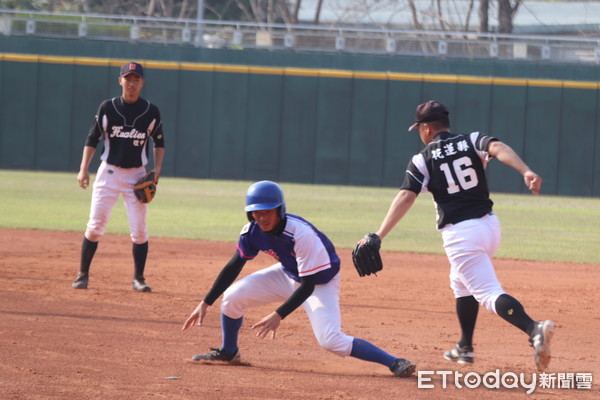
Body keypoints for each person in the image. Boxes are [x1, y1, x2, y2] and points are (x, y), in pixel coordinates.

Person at [363, 100, 554, 371]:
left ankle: (534, 329)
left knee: (487, 293)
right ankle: (465, 347)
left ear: (426, 129)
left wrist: (379, 234)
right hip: (489, 227)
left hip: (461, 235)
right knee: (460, 280)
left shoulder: (422, 158)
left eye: (419, 128)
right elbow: (498, 148)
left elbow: (407, 195)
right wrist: (526, 171)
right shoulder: (472, 140)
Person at [182, 180, 416, 378]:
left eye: (267, 211)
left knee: (330, 340)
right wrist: (206, 302)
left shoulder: (300, 234)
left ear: (279, 210)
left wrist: (278, 314)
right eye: (256, 212)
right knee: (232, 297)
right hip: (287, 275)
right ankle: (228, 351)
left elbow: (308, 285)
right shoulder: (252, 231)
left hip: (319, 284)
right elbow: (234, 265)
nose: (262, 217)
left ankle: (395, 362)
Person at [71, 61, 165, 292]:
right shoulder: (108, 107)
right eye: (128, 78)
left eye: (136, 79)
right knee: (95, 225)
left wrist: (157, 170)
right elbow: (93, 138)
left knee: (139, 230)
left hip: (137, 176)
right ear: (120, 80)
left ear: (142, 82)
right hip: (109, 173)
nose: (131, 83)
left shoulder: (150, 111)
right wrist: (84, 168)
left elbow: (160, 142)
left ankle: (139, 279)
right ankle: (82, 275)